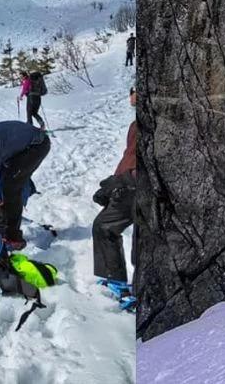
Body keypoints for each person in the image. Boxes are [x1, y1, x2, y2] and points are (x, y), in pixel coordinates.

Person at [0, 121, 51, 250]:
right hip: (21, 145)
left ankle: (14, 237)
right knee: (4, 186)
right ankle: (1, 223)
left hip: (37, 146)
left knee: (10, 189)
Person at [93, 87, 137, 308]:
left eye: (134, 91)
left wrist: (122, 180)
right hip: (125, 187)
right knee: (103, 226)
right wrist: (113, 183)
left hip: (138, 189)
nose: (131, 96)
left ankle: (140, 292)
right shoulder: (134, 125)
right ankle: (114, 280)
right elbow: (129, 158)